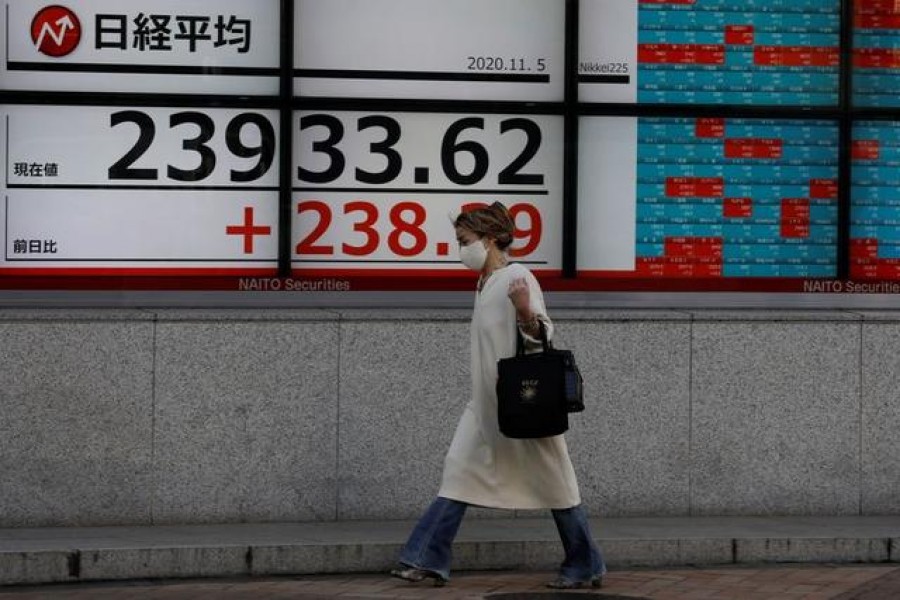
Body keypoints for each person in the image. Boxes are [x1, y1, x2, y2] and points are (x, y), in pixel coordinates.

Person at [390, 202, 605, 589]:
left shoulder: (517, 277)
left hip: (523, 404)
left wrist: (524, 311)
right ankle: (427, 557)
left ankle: (584, 562)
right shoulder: (485, 282)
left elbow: (543, 337)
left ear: (489, 240)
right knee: (458, 473)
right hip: (486, 406)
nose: (460, 250)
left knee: (557, 484)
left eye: (465, 241)